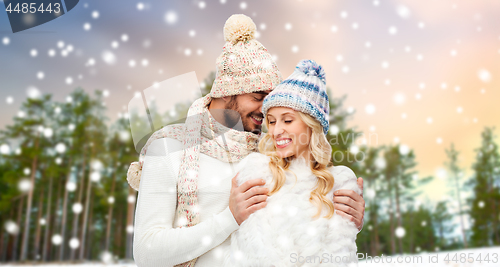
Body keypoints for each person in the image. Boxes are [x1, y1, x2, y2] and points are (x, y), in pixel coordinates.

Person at [128, 14, 365, 267]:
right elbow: (146, 253)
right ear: (226, 92)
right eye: (258, 96)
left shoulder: (272, 152)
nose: (266, 110)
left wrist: (346, 218)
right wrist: (230, 218)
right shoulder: (169, 147)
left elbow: (302, 225)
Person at [225, 59, 360, 266]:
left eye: (287, 120)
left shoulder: (338, 183)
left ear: (311, 125)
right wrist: (229, 216)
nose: (276, 130)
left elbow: (341, 256)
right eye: (271, 121)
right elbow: (248, 252)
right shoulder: (256, 173)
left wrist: (353, 222)